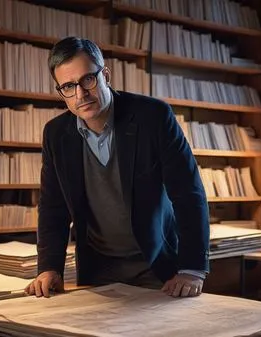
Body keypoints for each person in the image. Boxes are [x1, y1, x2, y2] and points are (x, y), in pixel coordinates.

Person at [25, 36, 210, 298]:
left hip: (158, 266)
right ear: (60, 92)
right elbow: (53, 207)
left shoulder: (153, 117)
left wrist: (192, 268)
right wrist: (49, 268)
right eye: (68, 86)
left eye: (88, 79)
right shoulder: (56, 134)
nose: (81, 94)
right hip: (97, 270)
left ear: (106, 75)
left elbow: (188, 194)